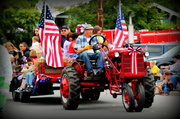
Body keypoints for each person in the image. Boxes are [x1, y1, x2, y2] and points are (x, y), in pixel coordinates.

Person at [0, 45, 12, 118]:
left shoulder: (1, 50)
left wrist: (6, 85)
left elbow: (8, 69)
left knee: (1, 108)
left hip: (1, 81)